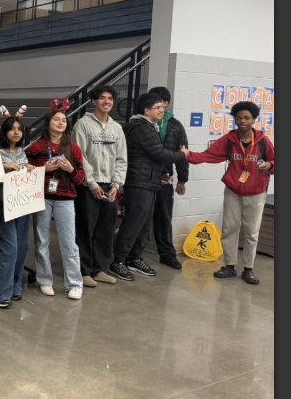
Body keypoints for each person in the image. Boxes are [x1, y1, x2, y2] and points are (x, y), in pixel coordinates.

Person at [181, 101, 274, 284]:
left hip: (256, 192)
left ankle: (248, 269)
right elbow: (209, 155)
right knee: (229, 228)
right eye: (239, 118)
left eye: (247, 118)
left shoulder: (263, 141)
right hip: (233, 191)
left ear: (254, 120)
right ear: (235, 120)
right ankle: (230, 266)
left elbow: (274, 160)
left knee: (251, 232)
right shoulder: (229, 140)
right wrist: (188, 155)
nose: (242, 121)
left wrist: (269, 165)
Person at [110, 92, 187, 281]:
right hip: (139, 182)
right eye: (158, 108)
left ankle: (134, 258)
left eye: (162, 107)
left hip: (149, 181)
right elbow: (159, 153)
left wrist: (162, 174)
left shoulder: (148, 127)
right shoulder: (142, 128)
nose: (162, 111)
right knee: (134, 222)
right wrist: (182, 155)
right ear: (146, 110)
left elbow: (151, 158)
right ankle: (118, 261)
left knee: (144, 224)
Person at [26, 99, 85, 300]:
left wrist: (71, 169)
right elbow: (27, 173)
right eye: (56, 119)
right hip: (41, 198)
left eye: (63, 120)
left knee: (69, 243)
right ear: (48, 123)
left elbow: (81, 178)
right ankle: (44, 280)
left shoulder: (74, 148)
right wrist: (44, 169)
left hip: (65, 199)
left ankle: (74, 284)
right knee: (41, 240)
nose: (61, 123)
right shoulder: (37, 147)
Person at [72, 85, 126, 287]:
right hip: (88, 186)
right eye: (102, 98)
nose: (107, 101)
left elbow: (122, 159)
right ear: (94, 101)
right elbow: (80, 157)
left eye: (110, 98)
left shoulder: (117, 128)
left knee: (106, 229)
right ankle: (83, 270)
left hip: (110, 185)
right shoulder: (82, 125)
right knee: (85, 229)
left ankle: (99, 269)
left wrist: (116, 185)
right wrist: (92, 183)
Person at [0, 106, 35, 307]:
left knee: (22, 246)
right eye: (12, 129)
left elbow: (23, 175)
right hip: (2, 202)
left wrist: (28, 169)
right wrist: (3, 167)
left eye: (19, 129)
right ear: (4, 131)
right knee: (9, 246)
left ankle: (14, 286)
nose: (16, 132)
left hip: (21, 203)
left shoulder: (22, 152)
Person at [147, 86, 189, 269]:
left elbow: (183, 153)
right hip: (143, 177)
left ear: (166, 103)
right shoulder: (143, 123)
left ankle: (167, 254)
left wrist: (182, 179)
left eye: (160, 103)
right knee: (140, 217)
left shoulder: (175, 126)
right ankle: (130, 255)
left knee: (164, 216)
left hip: (165, 178)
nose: (157, 107)